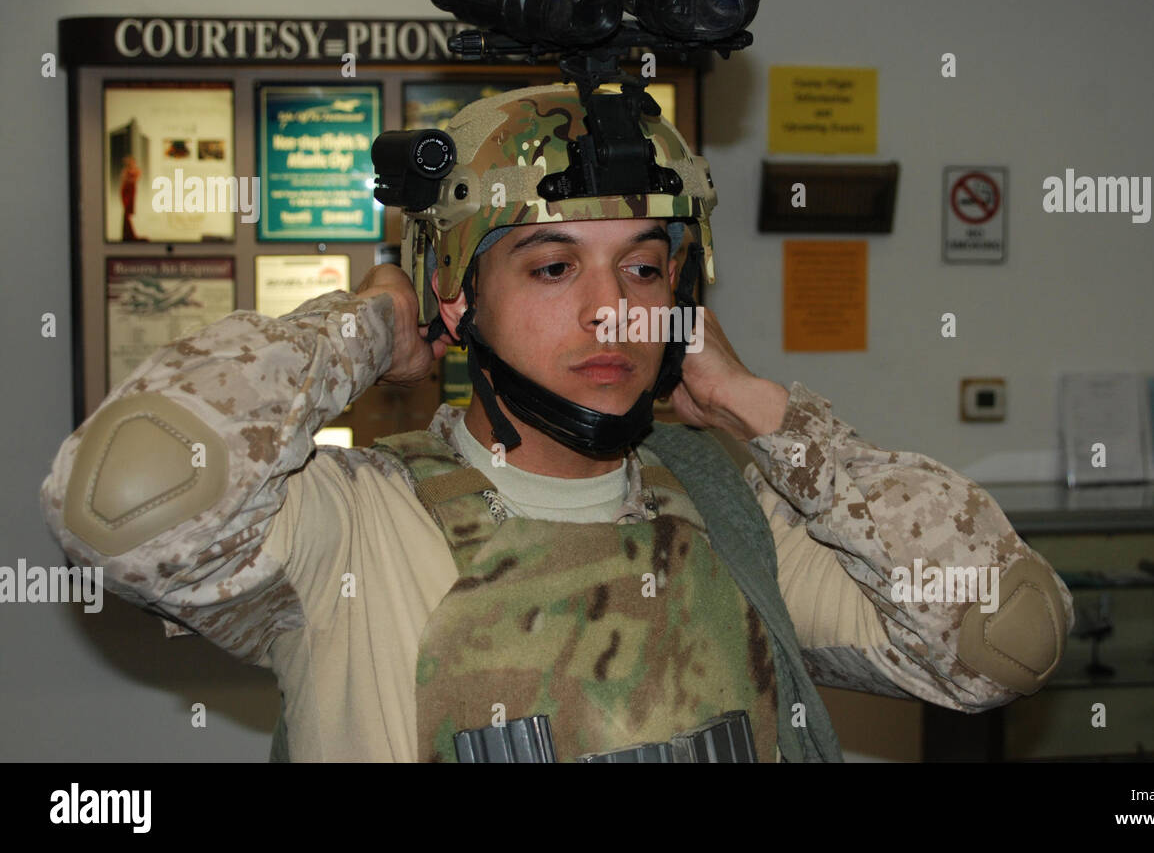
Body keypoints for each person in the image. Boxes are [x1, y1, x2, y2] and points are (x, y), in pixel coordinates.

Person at [40, 83, 1074, 762]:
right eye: (549, 266)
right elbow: (127, 501)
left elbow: (997, 640)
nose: (608, 307)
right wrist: (362, 328)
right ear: (458, 298)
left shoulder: (728, 510)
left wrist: (762, 414)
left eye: (642, 265)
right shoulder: (349, 531)